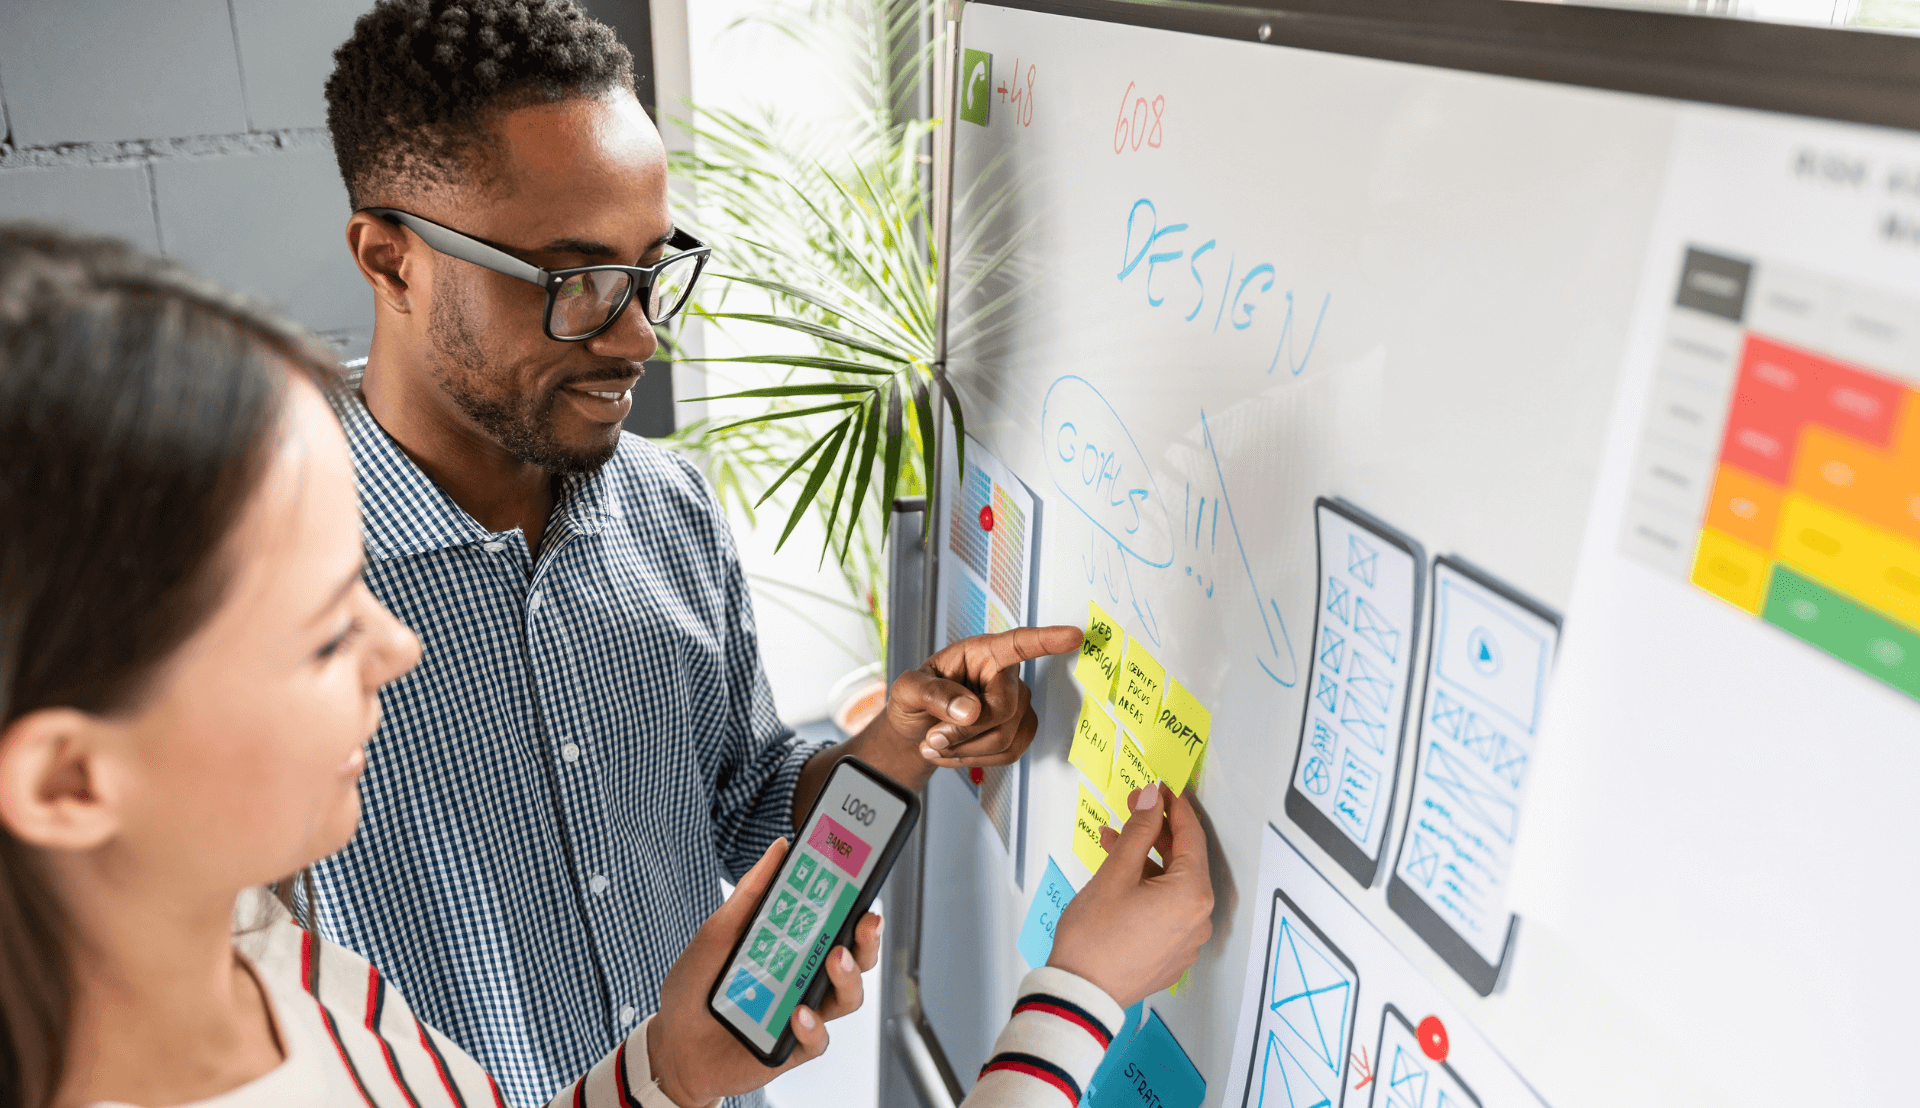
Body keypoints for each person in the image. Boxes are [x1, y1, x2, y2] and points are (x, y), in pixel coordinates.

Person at [0, 228, 1214, 1108]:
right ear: (67, 779)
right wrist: (1081, 990)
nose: (397, 644)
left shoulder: (282, 972)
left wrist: (665, 1068)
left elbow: (741, 785)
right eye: (323, 629)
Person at [316, 4, 1087, 1103]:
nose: (638, 336)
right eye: (572, 281)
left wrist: (900, 741)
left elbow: (747, 795)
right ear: (391, 261)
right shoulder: (260, 598)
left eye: (650, 269)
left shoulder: (668, 507)